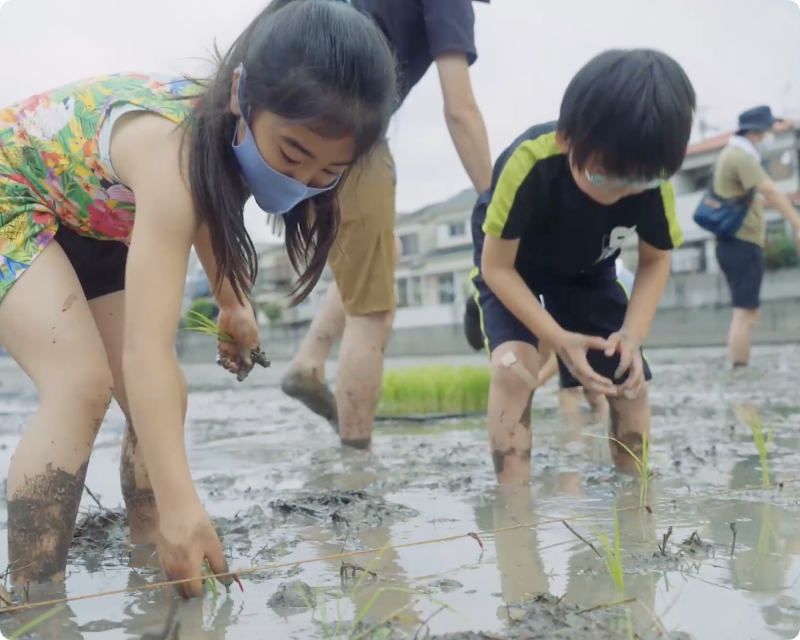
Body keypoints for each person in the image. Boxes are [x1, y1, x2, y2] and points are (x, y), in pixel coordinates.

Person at [0, 0, 397, 596]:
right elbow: (147, 348)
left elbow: (211, 213)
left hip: (94, 216)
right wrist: (187, 504)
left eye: (326, 172)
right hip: (14, 189)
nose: (302, 180)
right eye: (292, 154)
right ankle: (34, 601)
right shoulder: (174, 154)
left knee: (161, 398)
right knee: (80, 382)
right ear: (242, 95)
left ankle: (155, 563)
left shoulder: (219, 145)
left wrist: (233, 304)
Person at [470, 49, 696, 485]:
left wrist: (632, 335)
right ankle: (514, 506)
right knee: (515, 367)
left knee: (629, 377)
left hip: (590, 269)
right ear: (566, 139)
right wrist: (554, 338)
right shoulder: (530, 163)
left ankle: (634, 496)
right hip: (514, 264)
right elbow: (497, 267)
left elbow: (655, 260)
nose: (619, 193)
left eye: (638, 183)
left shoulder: (652, 181)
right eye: (605, 176)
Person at [281, 0, 494, 449]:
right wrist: (496, 202)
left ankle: (309, 359)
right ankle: (356, 458)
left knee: (384, 252)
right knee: (372, 311)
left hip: (291, 128)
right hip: (346, 138)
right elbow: (460, 108)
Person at [465, 259, 634, 425]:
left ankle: (574, 441)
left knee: (572, 388)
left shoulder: (523, 307)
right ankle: (592, 435)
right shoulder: (515, 305)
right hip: (591, 279)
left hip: (604, 285)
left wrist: (534, 381)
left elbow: (557, 355)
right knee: (590, 382)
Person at [711, 106, 800, 369]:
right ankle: (740, 370)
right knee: (744, 312)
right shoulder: (740, 156)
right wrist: (796, 223)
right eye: (766, 130)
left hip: (737, 243)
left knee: (747, 311)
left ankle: (740, 367)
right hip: (740, 243)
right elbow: (770, 190)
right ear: (754, 131)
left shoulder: (736, 152)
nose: (769, 135)